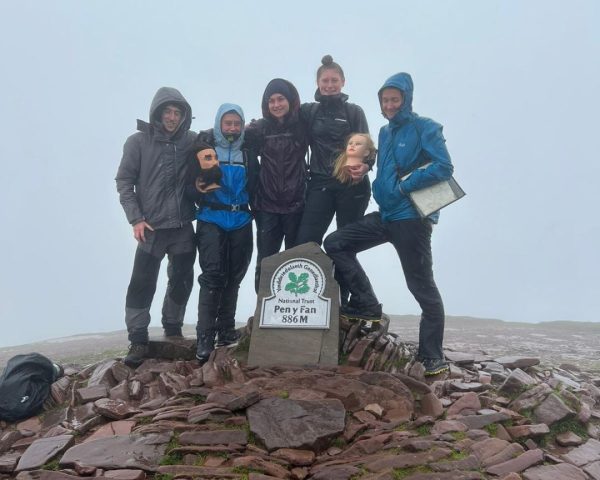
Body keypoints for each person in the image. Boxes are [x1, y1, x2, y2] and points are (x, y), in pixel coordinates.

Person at [324, 72, 454, 376]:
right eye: (385, 100)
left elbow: (444, 166)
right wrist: (367, 167)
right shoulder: (384, 132)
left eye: (395, 99)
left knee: (421, 286)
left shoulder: (426, 128)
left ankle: (432, 356)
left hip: (412, 219)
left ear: (406, 99)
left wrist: (405, 185)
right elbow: (386, 162)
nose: (390, 105)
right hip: (385, 216)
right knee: (336, 243)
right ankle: (367, 304)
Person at [116, 87, 197, 368]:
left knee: (182, 279)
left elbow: (218, 140)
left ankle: (173, 327)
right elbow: (124, 182)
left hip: (183, 225)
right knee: (142, 282)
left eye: (178, 112)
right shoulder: (138, 142)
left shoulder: (191, 141)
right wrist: (135, 218)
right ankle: (138, 338)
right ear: (157, 113)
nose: (172, 117)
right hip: (151, 228)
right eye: (168, 112)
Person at [188, 104, 258, 364]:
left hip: (241, 218)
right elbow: (189, 188)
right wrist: (197, 188)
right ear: (219, 124)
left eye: (236, 124)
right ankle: (205, 337)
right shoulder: (205, 150)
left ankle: (226, 330)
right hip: (211, 218)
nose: (231, 128)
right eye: (227, 123)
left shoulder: (249, 152)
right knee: (212, 276)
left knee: (234, 276)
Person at [295, 55, 372, 248]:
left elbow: (368, 149)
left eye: (334, 80)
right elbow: (281, 117)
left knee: (345, 246)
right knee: (305, 243)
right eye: (325, 80)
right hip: (320, 183)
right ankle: (314, 278)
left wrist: (365, 167)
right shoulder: (308, 111)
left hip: (351, 184)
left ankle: (343, 279)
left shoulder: (354, 112)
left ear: (343, 82)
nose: (330, 85)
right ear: (317, 83)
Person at [245, 78, 308, 292]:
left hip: (296, 205)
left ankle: (292, 310)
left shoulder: (303, 125)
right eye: (271, 101)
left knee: (296, 262)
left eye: (280, 99)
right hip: (267, 206)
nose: (276, 104)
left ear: (290, 100)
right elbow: (228, 135)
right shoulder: (259, 128)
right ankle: (262, 312)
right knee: (265, 262)